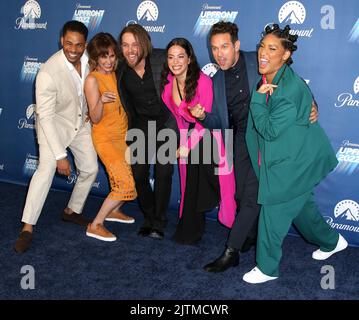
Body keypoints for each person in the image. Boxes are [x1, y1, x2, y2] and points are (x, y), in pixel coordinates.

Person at [190, 21, 318, 272]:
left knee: (250, 197)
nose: (219, 54)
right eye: (214, 48)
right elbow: (218, 121)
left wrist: (313, 105)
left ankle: (231, 251)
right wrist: (203, 116)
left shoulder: (258, 60)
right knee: (241, 196)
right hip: (241, 138)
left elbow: (292, 83)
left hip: (269, 138)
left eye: (224, 46)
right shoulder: (215, 80)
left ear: (236, 45)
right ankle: (251, 235)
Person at [242, 24, 347, 284]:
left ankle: (267, 268)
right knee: (303, 210)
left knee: (272, 211)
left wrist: (255, 100)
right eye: (262, 47)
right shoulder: (272, 76)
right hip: (292, 158)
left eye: (272, 48)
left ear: (286, 55)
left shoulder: (288, 88)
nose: (263, 53)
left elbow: (268, 130)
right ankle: (333, 241)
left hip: (294, 164)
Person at [14, 21, 98, 253]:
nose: (73, 49)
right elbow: (47, 118)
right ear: (62, 40)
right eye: (69, 43)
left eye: (78, 45)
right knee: (46, 170)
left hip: (80, 123)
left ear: (85, 44)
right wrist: (61, 156)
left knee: (90, 168)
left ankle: (72, 211)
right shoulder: (48, 72)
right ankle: (27, 227)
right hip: (54, 125)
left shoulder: (89, 58)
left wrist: (92, 108)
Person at [161, 38, 236, 245]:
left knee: (224, 188)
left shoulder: (203, 81)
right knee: (187, 185)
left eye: (180, 56)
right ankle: (189, 228)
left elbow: (207, 121)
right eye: (171, 57)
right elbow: (177, 118)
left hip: (211, 138)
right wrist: (181, 142)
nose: (175, 62)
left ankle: (239, 233)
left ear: (189, 58)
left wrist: (186, 145)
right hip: (187, 140)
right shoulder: (168, 84)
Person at [116, 24, 177, 240]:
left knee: (163, 173)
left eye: (135, 44)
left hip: (165, 124)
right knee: (139, 174)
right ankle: (149, 216)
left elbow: (186, 69)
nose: (130, 50)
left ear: (145, 43)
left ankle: (159, 222)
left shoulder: (161, 60)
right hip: (140, 126)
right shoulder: (120, 69)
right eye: (125, 45)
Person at [84, 32, 137, 242]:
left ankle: (114, 211)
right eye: (103, 57)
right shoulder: (92, 80)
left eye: (112, 56)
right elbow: (95, 118)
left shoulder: (116, 74)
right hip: (105, 138)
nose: (108, 61)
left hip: (122, 135)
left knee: (131, 182)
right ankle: (95, 224)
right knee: (124, 185)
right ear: (95, 58)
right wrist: (101, 102)